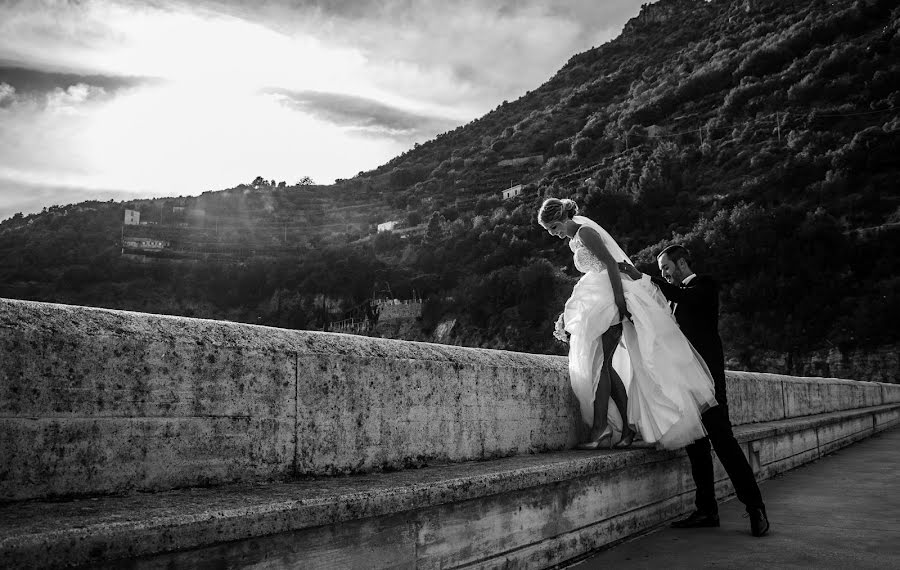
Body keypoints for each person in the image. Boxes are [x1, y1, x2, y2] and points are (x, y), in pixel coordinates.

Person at [539, 198, 718, 451]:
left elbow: (611, 264)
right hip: (598, 295)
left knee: (600, 364)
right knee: (605, 366)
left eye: (554, 228)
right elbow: (595, 271)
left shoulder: (585, 231)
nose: (554, 234)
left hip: (610, 298)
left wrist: (619, 301)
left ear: (562, 219)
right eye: (551, 231)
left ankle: (600, 429)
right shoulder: (573, 240)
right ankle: (624, 429)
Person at [619, 244, 769, 537]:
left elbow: (680, 295)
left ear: (682, 263)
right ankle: (706, 510)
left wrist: (645, 278)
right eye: (662, 271)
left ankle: (755, 507)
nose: (665, 274)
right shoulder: (675, 299)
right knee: (696, 448)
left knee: (724, 443)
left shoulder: (704, 286)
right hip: (685, 383)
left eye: (666, 269)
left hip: (708, 384)